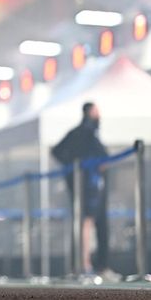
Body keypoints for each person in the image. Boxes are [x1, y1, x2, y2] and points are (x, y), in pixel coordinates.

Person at [52, 101, 111, 277]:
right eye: (96, 112)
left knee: (85, 223)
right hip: (89, 186)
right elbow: (103, 158)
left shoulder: (77, 133)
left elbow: (57, 151)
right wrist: (75, 169)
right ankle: (86, 265)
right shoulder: (87, 134)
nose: (99, 116)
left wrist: (70, 169)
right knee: (88, 222)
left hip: (83, 185)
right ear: (89, 112)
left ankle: (83, 264)